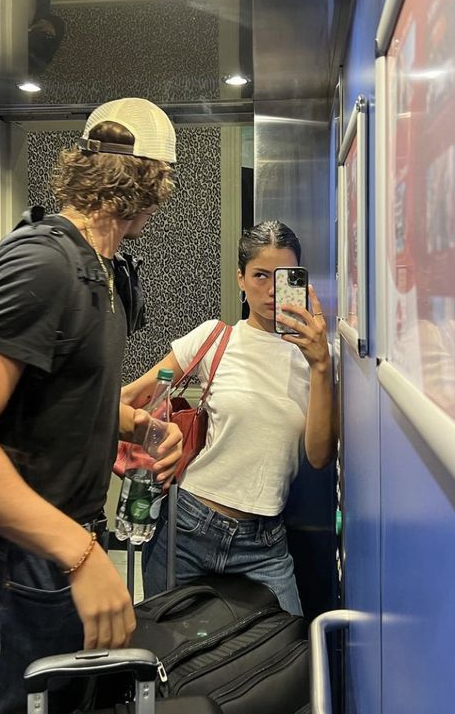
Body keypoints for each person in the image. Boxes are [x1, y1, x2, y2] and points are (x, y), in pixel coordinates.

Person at [0, 97, 183, 714]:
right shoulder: (41, 263)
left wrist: (129, 425)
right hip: (8, 565)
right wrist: (82, 555)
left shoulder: (107, 271)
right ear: (150, 180)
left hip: (50, 555)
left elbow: (53, 391)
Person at [121, 221, 338, 615]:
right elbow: (129, 399)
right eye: (259, 275)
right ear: (240, 279)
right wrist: (157, 434)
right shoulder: (214, 338)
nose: (272, 290)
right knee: (166, 652)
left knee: (289, 653)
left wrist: (321, 364)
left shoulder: (317, 357)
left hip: (265, 541)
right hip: (188, 524)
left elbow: (320, 456)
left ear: (301, 281)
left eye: (284, 277)